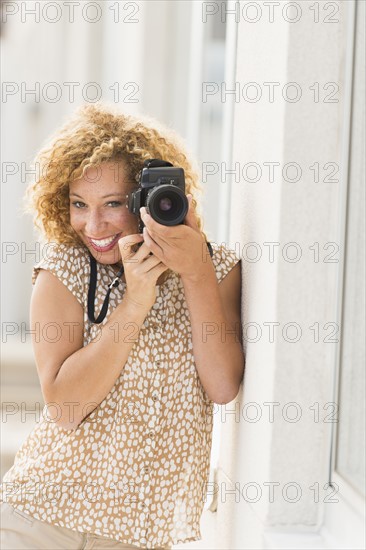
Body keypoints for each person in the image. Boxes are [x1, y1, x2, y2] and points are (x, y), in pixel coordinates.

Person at [0, 103, 244, 549]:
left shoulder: (215, 269)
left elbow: (224, 385)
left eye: (113, 204)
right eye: (78, 204)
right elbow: (66, 408)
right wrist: (134, 302)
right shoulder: (64, 270)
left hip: (139, 535)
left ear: (149, 199)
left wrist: (195, 274)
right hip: (40, 521)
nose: (94, 226)